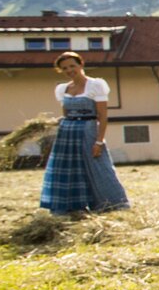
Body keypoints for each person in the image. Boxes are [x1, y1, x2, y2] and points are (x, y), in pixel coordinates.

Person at [39, 51, 130, 215]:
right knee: (70, 170)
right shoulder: (63, 89)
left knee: (98, 167)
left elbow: (102, 117)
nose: (70, 70)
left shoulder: (96, 85)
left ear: (81, 65)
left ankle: (111, 204)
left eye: (72, 66)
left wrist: (99, 141)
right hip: (67, 135)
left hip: (88, 131)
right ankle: (72, 208)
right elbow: (66, 114)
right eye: (65, 68)